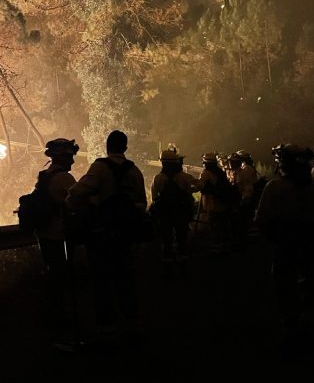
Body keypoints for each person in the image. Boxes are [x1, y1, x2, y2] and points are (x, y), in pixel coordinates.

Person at [256, 144, 314, 352]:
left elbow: (262, 220)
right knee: (311, 285)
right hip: (312, 246)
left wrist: (276, 237)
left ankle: (292, 331)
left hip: (286, 247)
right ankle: (309, 327)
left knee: (285, 288)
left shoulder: (274, 188)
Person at [67, 130, 146, 332]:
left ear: (107, 147)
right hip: (126, 235)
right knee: (125, 276)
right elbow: (142, 203)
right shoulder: (134, 171)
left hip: (101, 234)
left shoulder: (100, 168)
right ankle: (131, 320)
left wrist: (90, 203)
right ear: (125, 148)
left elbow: (76, 192)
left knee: (101, 279)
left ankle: (107, 324)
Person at [27, 138, 78, 343]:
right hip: (58, 235)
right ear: (62, 157)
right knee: (60, 277)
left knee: (53, 275)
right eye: (69, 157)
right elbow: (80, 200)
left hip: (44, 234)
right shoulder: (65, 178)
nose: (72, 161)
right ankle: (59, 320)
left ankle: (51, 315)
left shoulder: (45, 175)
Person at [149, 147, 198, 276]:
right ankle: (183, 267)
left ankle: (167, 269)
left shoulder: (157, 178)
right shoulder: (185, 177)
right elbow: (199, 186)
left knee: (166, 240)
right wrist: (189, 191)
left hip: (165, 214)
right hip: (182, 213)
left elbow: (154, 197)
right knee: (182, 239)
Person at [199, 152, 235, 254]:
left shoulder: (206, 173)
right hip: (223, 201)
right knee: (222, 223)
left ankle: (216, 247)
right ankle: (225, 245)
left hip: (213, 202)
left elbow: (200, 185)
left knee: (215, 224)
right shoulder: (220, 172)